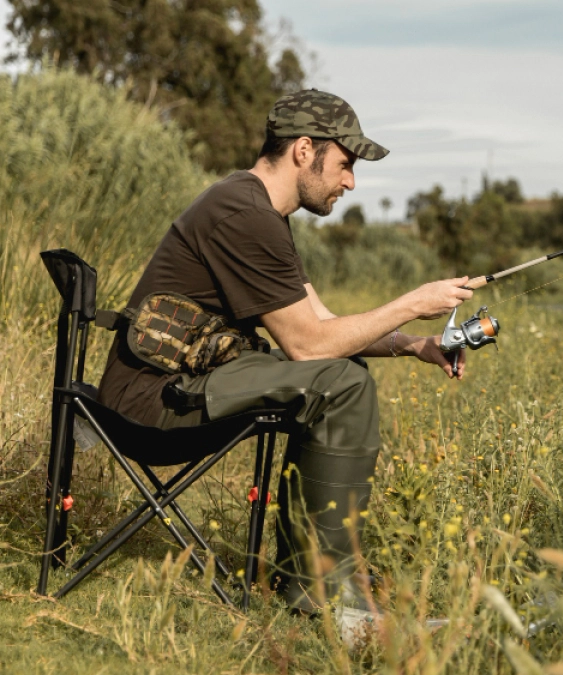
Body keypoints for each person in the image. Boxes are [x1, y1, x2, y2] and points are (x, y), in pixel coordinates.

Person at [97, 89, 471, 636]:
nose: (350, 182)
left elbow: (323, 325)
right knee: (339, 383)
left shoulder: (257, 212)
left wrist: (414, 344)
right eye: (345, 165)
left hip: (176, 385)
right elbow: (309, 347)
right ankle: (332, 602)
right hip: (151, 404)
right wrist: (413, 302)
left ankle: (313, 586)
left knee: (345, 376)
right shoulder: (242, 213)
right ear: (303, 150)